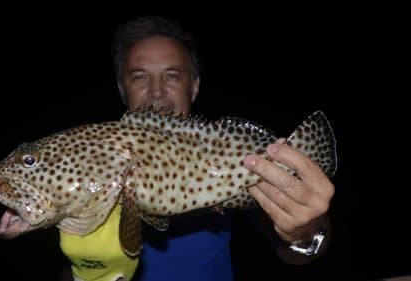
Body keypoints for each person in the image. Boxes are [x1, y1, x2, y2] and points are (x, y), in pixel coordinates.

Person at [60, 15, 335, 281]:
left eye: (172, 75)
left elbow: (296, 251)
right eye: (140, 77)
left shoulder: (223, 155)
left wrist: (306, 233)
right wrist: (88, 273)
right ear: (123, 89)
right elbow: (71, 261)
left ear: (194, 87)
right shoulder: (89, 163)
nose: (156, 92)